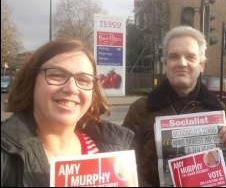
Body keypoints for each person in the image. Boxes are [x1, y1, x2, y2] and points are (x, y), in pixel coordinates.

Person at [122, 26, 226, 186]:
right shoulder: (140, 109)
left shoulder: (219, 110)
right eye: (174, 57)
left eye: (190, 57)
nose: (182, 63)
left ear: (202, 65)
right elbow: (122, 166)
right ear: (165, 63)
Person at [1, 39, 134, 186]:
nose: (71, 88)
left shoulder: (114, 154)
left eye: (84, 80)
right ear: (32, 82)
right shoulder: (5, 157)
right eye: (56, 75)